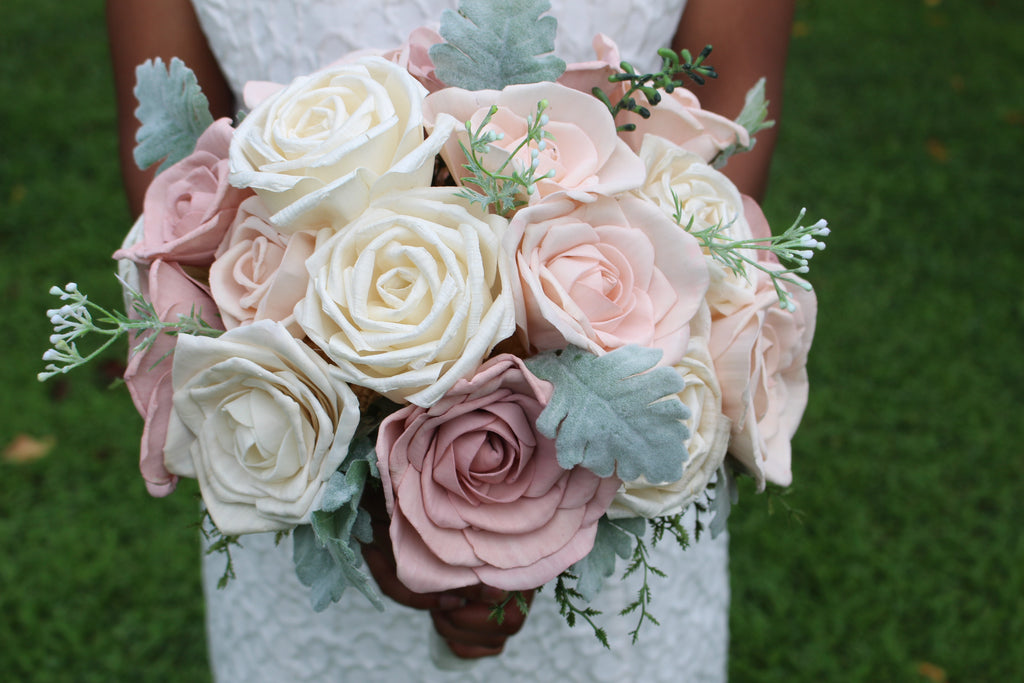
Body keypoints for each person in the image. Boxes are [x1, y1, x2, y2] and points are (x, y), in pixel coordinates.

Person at [106, 0, 795, 679]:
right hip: (296, 459)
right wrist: (352, 479)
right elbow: (175, 191)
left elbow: (728, 116)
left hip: (616, 481)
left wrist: (554, 469)